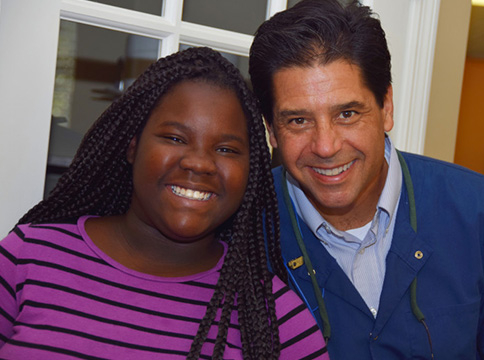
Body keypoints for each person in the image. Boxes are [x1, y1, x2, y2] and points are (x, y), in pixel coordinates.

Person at [249, 1, 484, 359]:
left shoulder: (480, 212)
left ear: (386, 106)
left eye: (348, 113)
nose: (325, 146)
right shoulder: (244, 230)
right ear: (271, 131)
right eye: (298, 121)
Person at [0, 47, 329, 359]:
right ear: (132, 146)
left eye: (227, 149)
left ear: (252, 171)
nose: (199, 164)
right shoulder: (27, 257)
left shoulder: (276, 320)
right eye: (175, 138)